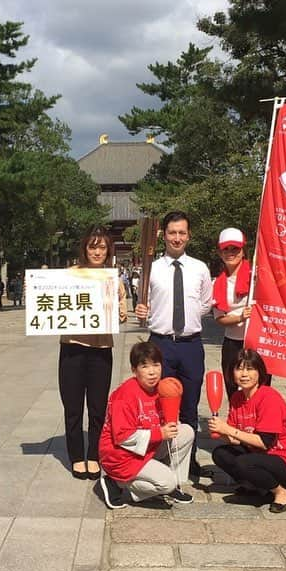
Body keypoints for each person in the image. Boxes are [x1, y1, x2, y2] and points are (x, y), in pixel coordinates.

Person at [134, 211, 212, 482]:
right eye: (172, 233)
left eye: (182, 233)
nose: (177, 238)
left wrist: (188, 320)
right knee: (161, 404)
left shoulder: (200, 268)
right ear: (163, 235)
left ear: (189, 235)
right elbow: (143, 304)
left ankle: (188, 459)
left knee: (190, 403)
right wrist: (142, 310)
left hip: (191, 345)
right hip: (161, 344)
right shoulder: (151, 268)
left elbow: (205, 303)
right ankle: (162, 456)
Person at [59, 226, 127, 479]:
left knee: (98, 407)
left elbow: (121, 312)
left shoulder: (113, 278)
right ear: (84, 248)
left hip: (101, 350)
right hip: (71, 349)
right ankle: (77, 455)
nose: (97, 252)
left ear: (108, 250)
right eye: (92, 246)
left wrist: (118, 312)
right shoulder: (70, 275)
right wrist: (33, 288)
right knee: (73, 405)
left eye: (102, 247)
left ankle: (94, 455)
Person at [208, 349, 286, 513]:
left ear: (260, 372)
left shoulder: (269, 397)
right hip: (262, 456)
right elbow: (236, 440)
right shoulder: (236, 398)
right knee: (221, 454)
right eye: (239, 369)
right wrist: (221, 432)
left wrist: (228, 430)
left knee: (244, 463)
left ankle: (281, 492)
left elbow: (264, 442)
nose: (244, 374)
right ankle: (257, 486)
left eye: (250, 369)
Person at [98, 341, 194, 509]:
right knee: (166, 482)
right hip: (121, 455)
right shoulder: (125, 395)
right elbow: (122, 437)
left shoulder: (161, 389)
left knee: (186, 432)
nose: (152, 372)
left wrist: (170, 424)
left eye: (156, 365)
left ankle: (173, 485)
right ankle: (116, 482)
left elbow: (164, 422)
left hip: (146, 447)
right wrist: (160, 434)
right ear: (134, 370)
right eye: (145, 366)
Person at [212, 227, 266, 401]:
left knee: (260, 389)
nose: (230, 253)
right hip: (232, 344)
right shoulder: (218, 283)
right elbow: (220, 318)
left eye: (235, 249)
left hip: (257, 343)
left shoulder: (256, 276)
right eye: (226, 249)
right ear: (220, 252)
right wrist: (240, 317)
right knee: (233, 388)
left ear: (243, 251)